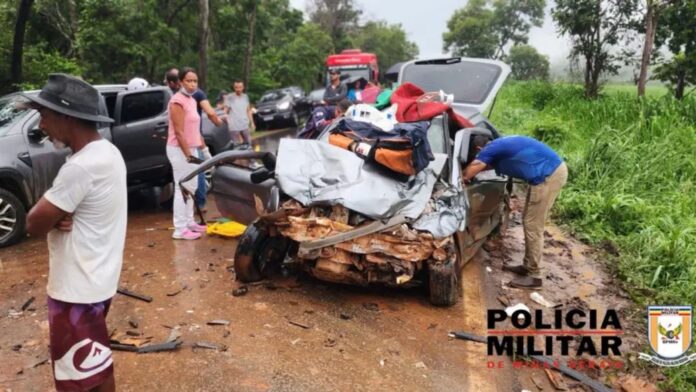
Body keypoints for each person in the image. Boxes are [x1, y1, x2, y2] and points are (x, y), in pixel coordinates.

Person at [24, 74, 127, 392]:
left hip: (75, 293)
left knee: (77, 381)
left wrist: (52, 218)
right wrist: (59, 216)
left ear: (65, 116)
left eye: (44, 115)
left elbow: (32, 223)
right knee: (95, 364)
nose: (42, 125)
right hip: (98, 282)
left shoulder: (80, 167)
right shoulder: (108, 153)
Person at [463, 135, 568, 289]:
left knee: (533, 225)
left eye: (477, 154)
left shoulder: (491, 149)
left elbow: (477, 165)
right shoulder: (499, 146)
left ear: (480, 149)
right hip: (548, 173)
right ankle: (527, 266)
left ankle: (535, 276)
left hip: (548, 176)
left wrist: (463, 178)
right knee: (528, 220)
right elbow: (487, 166)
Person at [166, 67, 208, 240]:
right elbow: (179, 132)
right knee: (181, 186)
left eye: (195, 81)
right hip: (178, 149)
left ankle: (190, 221)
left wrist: (203, 149)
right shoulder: (177, 101)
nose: (192, 84)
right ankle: (180, 229)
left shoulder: (192, 99)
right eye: (188, 81)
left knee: (192, 186)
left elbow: (194, 129)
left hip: (192, 148)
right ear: (180, 82)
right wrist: (188, 155)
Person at [224, 79, 254, 145]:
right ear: (234, 87)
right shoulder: (230, 97)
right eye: (236, 87)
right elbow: (225, 111)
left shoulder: (245, 97)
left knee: (248, 144)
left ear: (243, 87)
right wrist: (226, 121)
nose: (238, 89)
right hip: (234, 126)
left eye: (240, 87)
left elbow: (248, 110)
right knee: (236, 146)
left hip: (244, 124)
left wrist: (252, 122)